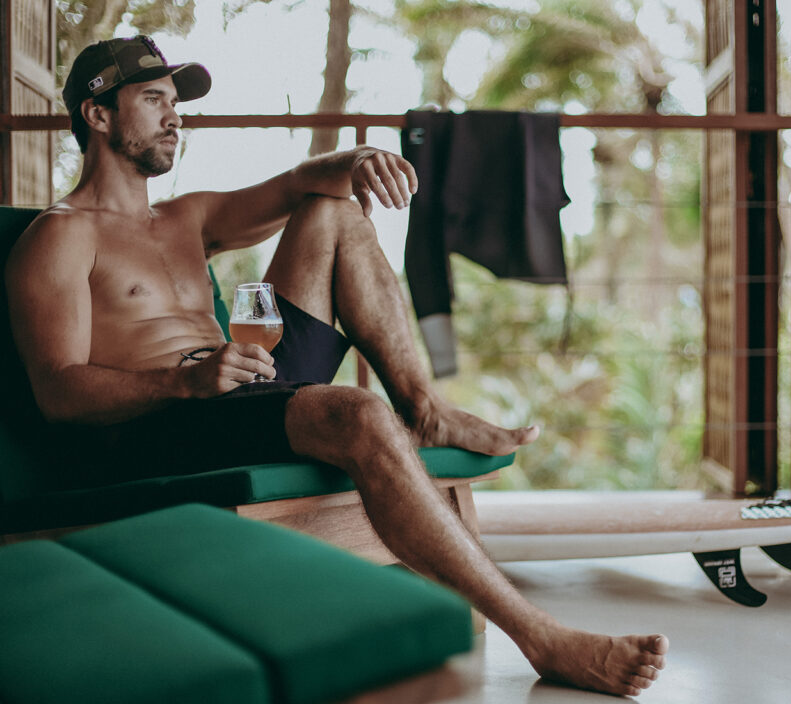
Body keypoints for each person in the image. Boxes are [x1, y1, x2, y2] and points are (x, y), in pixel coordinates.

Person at [6, 36, 668, 696]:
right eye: (154, 100)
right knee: (357, 412)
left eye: (175, 102)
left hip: (237, 388)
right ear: (98, 114)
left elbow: (301, 184)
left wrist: (360, 159)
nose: (175, 117)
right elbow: (59, 392)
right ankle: (542, 637)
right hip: (163, 422)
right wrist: (185, 381)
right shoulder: (60, 236)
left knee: (335, 212)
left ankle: (426, 410)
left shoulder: (187, 216)